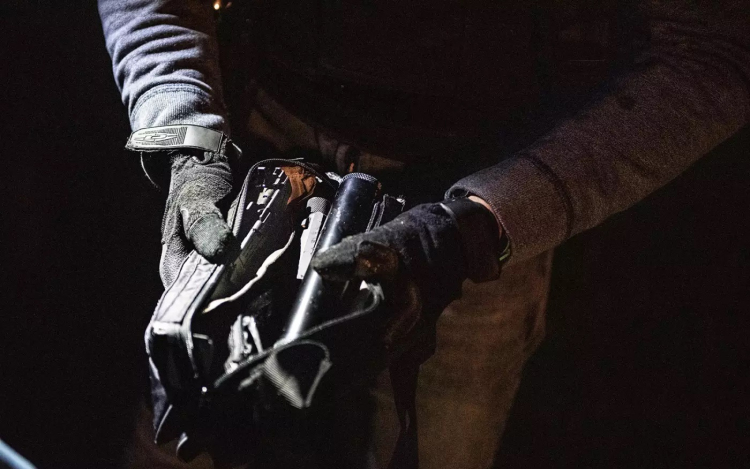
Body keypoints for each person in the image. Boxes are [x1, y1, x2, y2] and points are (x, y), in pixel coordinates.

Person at [99, 0, 750, 468]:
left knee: (440, 448)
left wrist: (475, 227)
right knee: (182, 426)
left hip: (482, 200)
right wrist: (188, 140)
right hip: (266, 164)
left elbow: (709, 52)